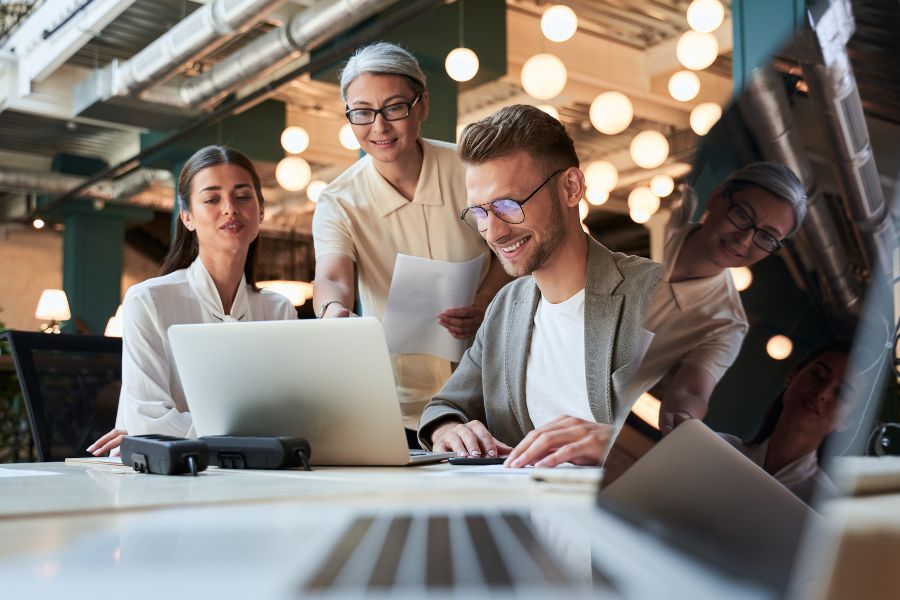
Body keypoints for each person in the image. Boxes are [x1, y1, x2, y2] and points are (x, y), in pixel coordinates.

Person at [417, 104, 660, 468]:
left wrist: (621, 443)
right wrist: (448, 429)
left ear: (571, 188)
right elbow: (445, 406)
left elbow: (722, 441)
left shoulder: (657, 293)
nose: (494, 232)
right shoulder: (505, 307)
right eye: (480, 212)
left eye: (507, 204)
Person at [312, 42, 510, 439]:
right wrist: (332, 310)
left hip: (490, 385)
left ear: (421, 106)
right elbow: (333, 277)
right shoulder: (339, 200)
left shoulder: (469, 170)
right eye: (362, 113)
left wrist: (484, 301)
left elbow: (513, 248)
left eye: (395, 108)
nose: (379, 127)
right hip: (398, 402)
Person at [87, 145, 296, 456]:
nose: (230, 208)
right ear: (187, 217)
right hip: (167, 479)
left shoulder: (278, 310)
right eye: (212, 199)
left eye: (242, 196)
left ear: (261, 210)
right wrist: (253, 436)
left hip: (253, 475)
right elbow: (148, 420)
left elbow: (291, 419)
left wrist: (184, 431)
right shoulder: (148, 301)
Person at [632, 162, 807, 434]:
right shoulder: (645, 223)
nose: (745, 240)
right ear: (717, 197)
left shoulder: (727, 324)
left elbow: (693, 391)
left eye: (767, 237)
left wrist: (684, 414)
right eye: (742, 215)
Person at [719, 341, 854, 504]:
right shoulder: (717, 450)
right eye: (818, 375)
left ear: (848, 421)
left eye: (841, 394)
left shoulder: (827, 508)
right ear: (792, 375)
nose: (822, 393)